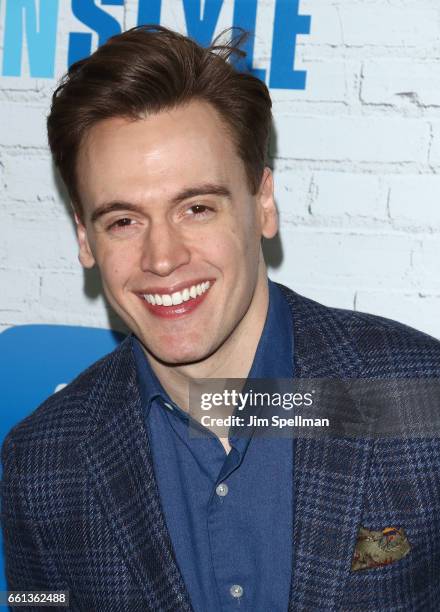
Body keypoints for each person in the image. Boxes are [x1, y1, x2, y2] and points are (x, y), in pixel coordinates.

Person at [2, 25, 440, 612]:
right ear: (85, 238)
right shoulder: (38, 466)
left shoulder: (420, 397)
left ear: (263, 204)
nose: (163, 258)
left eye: (197, 207)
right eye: (123, 221)